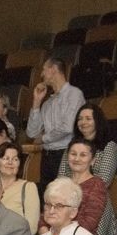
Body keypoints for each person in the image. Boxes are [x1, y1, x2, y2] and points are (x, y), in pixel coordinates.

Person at [62, 103, 117, 235]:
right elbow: (61, 177)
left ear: (97, 121)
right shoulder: (71, 146)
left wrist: (76, 190)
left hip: (97, 203)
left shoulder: (109, 146)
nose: (83, 122)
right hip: (69, 203)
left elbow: (104, 179)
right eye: (80, 118)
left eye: (88, 118)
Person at [27, 56, 87, 189]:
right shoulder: (47, 103)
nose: (42, 74)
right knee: (48, 194)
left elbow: (68, 127)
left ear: (53, 69)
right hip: (47, 156)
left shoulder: (74, 94)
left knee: (65, 193)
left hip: (66, 153)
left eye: (44, 69)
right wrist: (36, 102)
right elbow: (32, 133)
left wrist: (43, 138)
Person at [60, 138, 110, 235]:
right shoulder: (61, 183)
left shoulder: (97, 185)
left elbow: (89, 222)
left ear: (93, 161)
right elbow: (45, 216)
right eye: (73, 154)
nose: (77, 159)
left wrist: (60, 233)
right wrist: (46, 233)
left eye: (83, 155)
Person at [0, 142, 40, 233]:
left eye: (15, 159)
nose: (10, 162)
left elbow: (32, 227)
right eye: (6, 158)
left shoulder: (28, 187)